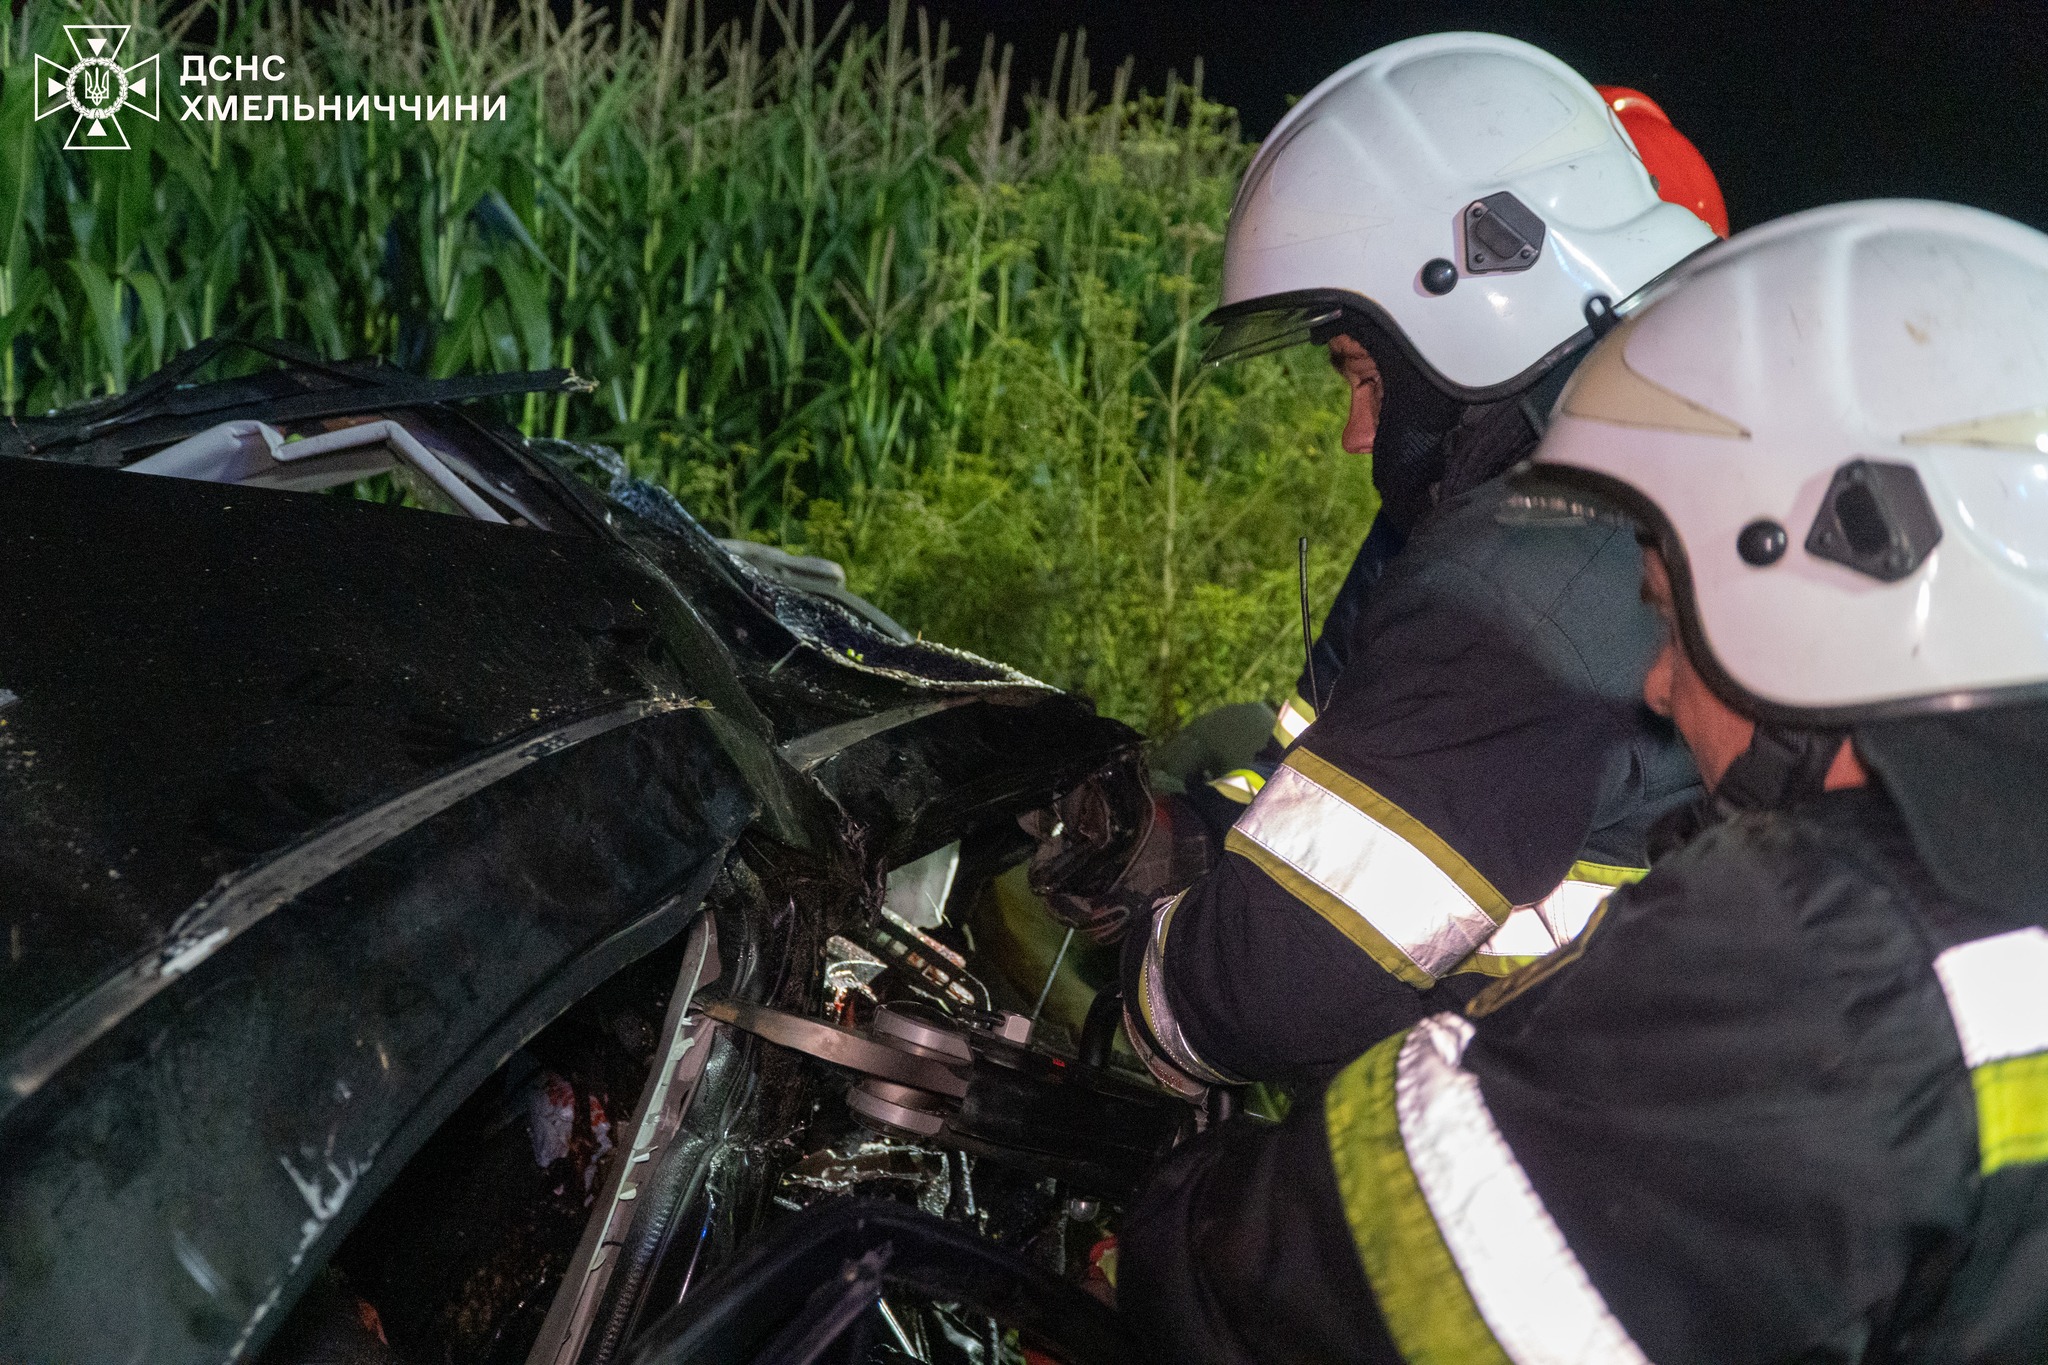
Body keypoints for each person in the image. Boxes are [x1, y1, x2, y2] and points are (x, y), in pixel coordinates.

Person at [1118, 198, 2048, 1364]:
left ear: (1818, 594)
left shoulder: (1821, 952)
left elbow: (1309, 1300)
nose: (1658, 688)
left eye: (1669, 618)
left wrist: (1146, 1220)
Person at [1030, 33, 1725, 1091]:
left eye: (1360, 373)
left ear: (1473, 291)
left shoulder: (1532, 573)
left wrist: (1146, 981)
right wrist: (1205, 835)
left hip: (1587, 1137)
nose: (1358, 435)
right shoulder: (1601, 494)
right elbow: (1361, 773)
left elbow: (1265, 988)